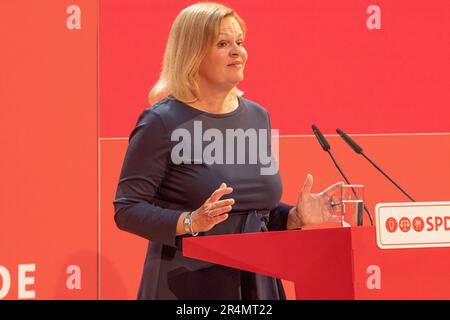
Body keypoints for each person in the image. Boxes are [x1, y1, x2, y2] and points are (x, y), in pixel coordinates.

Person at [113, 2, 342, 300]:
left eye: (240, 42)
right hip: (187, 284)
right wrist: (191, 221)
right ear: (192, 54)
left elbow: (254, 212)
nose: (238, 51)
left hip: (258, 282)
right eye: (223, 43)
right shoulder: (161, 121)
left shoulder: (258, 117)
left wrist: (295, 217)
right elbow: (127, 209)